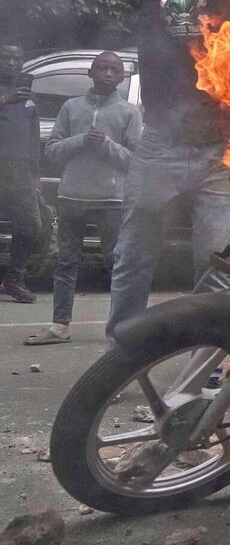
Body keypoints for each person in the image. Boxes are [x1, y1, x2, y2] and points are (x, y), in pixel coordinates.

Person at [69, 0, 230, 347]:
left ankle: (205, 367)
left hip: (220, 152)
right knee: (134, 258)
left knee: (215, 267)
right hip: (161, 146)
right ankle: (122, 350)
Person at [26, 53, 142, 345]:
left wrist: (105, 145)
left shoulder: (129, 112)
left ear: (121, 77)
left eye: (115, 70)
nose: (108, 73)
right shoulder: (71, 107)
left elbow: (135, 162)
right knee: (66, 262)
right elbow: (51, 151)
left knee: (117, 264)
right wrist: (80, 140)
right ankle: (60, 326)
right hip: (71, 197)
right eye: (102, 68)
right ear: (91, 73)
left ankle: (122, 330)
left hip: (111, 200)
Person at [0, 42, 41, 303]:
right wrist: (4, 100)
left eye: (18, 58)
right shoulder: (11, 95)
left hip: (20, 170)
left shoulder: (28, 96)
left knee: (30, 225)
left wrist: (35, 173)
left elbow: (34, 135)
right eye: (6, 57)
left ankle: (13, 279)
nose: (13, 63)